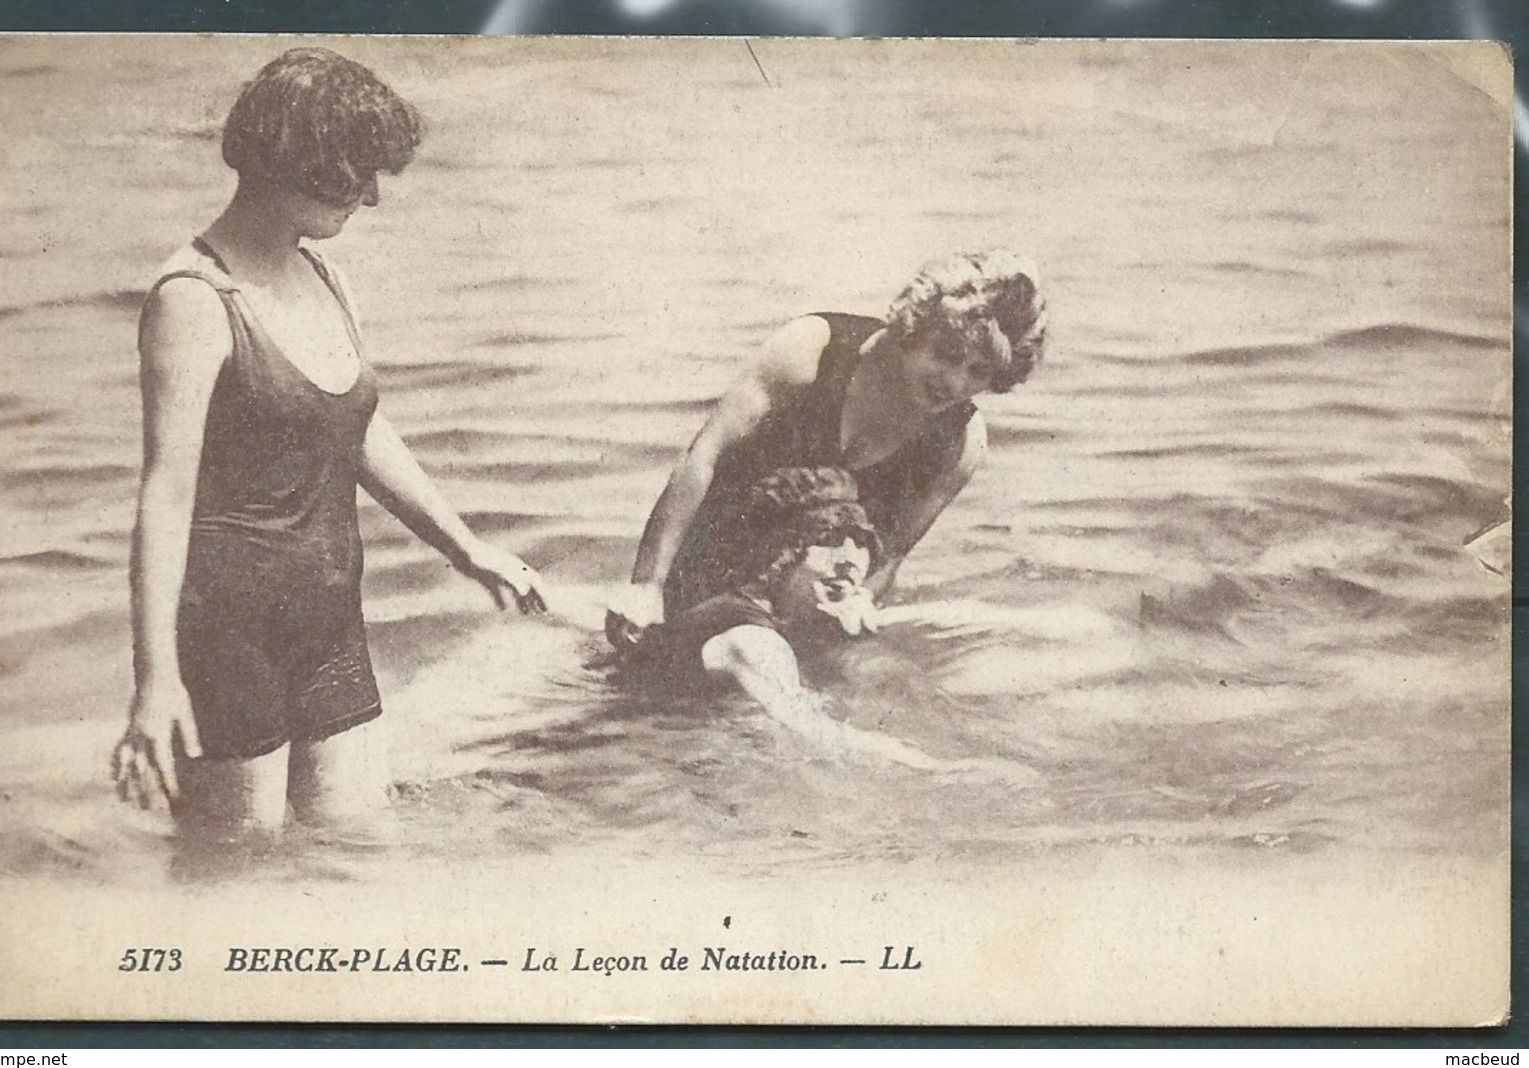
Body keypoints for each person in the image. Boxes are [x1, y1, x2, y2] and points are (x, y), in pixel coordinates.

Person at [112, 48, 546, 837]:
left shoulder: (325, 277)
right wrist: (155, 682)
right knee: (232, 868)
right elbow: (164, 495)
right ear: (295, 160)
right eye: (356, 176)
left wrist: (466, 548)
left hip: (330, 619)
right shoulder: (194, 299)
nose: (373, 199)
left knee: (358, 850)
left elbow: (355, 426)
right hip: (227, 628)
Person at [606, 250, 1048, 648]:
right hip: (704, 571)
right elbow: (703, 455)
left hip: (801, 598)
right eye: (947, 354)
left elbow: (890, 554)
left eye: (979, 372)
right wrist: (647, 585)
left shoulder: (960, 444)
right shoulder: (813, 350)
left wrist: (855, 607)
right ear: (915, 328)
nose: (954, 382)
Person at [623, 467, 951, 769]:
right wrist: (932, 765)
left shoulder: (745, 609)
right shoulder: (753, 640)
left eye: (861, 541)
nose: (849, 561)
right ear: (783, 553)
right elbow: (812, 732)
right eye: (830, 540)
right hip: (629, 752)